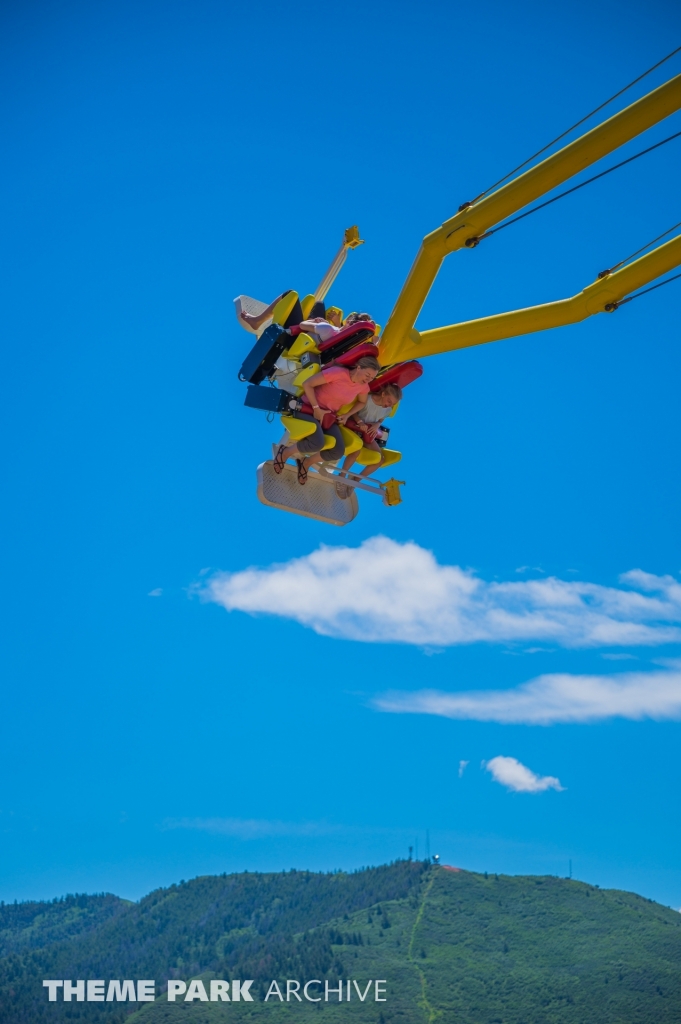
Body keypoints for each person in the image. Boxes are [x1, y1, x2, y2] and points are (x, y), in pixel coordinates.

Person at [272, 355, 381, 484]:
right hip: (307, 408)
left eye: (372, 378)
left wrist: (347, 415)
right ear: (358, 368)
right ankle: (285, 452)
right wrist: (316, 408)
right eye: (367, 375)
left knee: (338, 451)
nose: (368, 379)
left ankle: (306, 463)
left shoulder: (363, 388)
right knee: (317, 442)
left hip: (328, 417)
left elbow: (362, 402)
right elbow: (307, 384)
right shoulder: (338, 373)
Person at [336, 382, 402, 497]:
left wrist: (377, 424)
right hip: (354, 428)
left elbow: (381, 419)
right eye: (389, 401)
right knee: (355, 450)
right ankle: (341, 478)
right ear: (383, 394)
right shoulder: (368, 399)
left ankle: (355, 481)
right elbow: (354, 411)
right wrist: (360, 422)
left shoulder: (387, 410)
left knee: (380, 460)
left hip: (366, 434)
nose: (389, 405)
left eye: (392, 404)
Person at [297, 311, 373, 346]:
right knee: (320, 305)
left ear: (348, 321)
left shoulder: (327, 328)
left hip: (297, 341)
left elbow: (302, 325)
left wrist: (315, 321)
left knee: (319, 304)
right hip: (314, 345)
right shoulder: (347, 343)